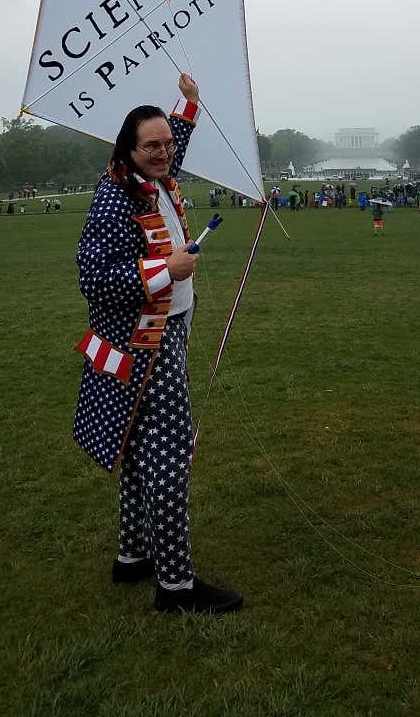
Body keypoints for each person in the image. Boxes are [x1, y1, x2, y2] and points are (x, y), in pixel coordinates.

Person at [72, 73, 242, 616]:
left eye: (169, 143)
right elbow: (94, 277)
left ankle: (133, 553)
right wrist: (166, 268)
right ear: (128, 149)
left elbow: (175, 143)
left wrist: (189, 105)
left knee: (139, 447)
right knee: (168, 451)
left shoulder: (154, 173)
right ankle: (175, 585)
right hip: (148, 342)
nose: (165, 152)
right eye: (153, 145)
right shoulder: (113, 198)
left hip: (171, 327)